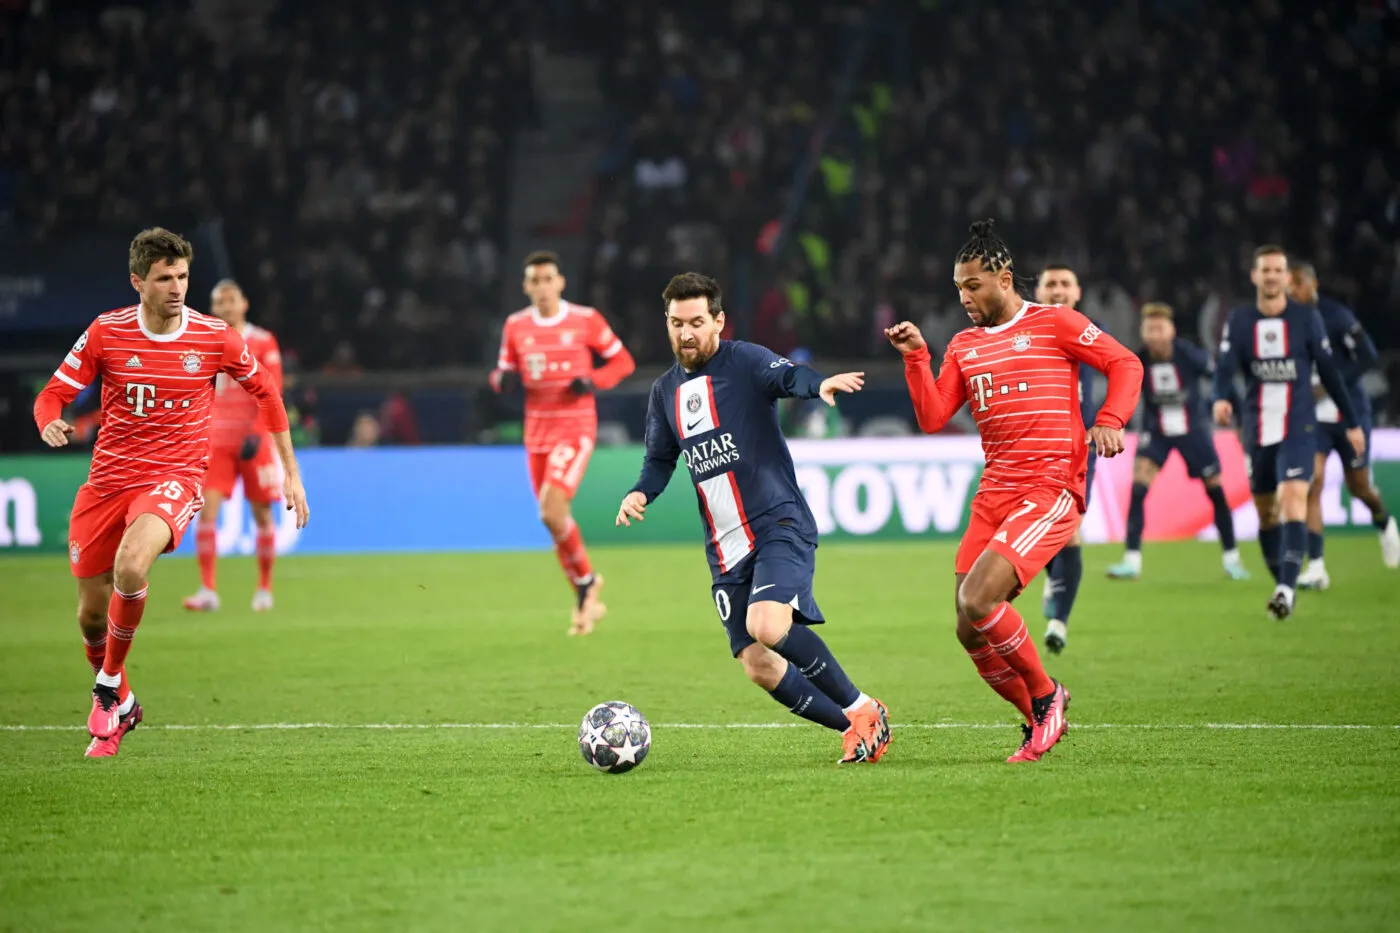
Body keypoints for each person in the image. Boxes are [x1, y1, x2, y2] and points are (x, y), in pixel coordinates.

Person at [32, 228, 310, 758]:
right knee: (90, 615)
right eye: (164, 278)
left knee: (131, 567)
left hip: (176, 475)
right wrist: (49, 420)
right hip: (108, 481)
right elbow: (55, 392)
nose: (177, 287)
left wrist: (290, 472)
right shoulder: (107, 332)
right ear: (138, 281)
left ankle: (107, 688)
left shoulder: (214, 336)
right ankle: (125, 699)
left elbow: (268, 394)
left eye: (183, 276)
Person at [886, 220, 1142, 763]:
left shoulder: (1055, 323)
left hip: (1050, 487)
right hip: (995, 492)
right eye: (958, 287)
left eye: (973, 285)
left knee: (980, 598)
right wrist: (915, 357)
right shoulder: (963, 345)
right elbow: (933, 417)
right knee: (967, 627)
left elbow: (1126, 362)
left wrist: (1112, 417)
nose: (964, 297)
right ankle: (1035, 716)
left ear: (1004, 278)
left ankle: (1047, 699)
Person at [615, 272, 890, 764]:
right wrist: (640, 493)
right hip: (724, 547)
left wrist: (816, 384)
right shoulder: (664, 392)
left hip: (777, 524)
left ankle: (863, 707)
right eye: (677, 323)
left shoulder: (744, 361)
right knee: (759, 665)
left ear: (718, 321)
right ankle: (856, 726)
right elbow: (660, 459)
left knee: (766, 624)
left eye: (697, 322)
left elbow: (788, 376)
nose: (686, 333)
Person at [1211, 246, 1363, 620]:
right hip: (1258, 427)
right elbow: (1225, 367)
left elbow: (1329, 371)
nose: (1272, 277)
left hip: (1299, 425)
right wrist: (1220, 398)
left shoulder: (1307, 319)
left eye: (1278, 271)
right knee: (1266, 514)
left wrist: (1353, 420)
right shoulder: (1241, 320)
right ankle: (1284, 581)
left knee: (1294, 495)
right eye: (1266, 271)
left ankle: (1286, 588)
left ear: (1286, 278)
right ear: (1255, 276)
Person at [491, 251, 635, 635]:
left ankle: (587, 584)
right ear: (526, 287)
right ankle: (586, 596)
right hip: (536, 431)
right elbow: (502, 369)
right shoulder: (516, 326)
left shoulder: (585, 320)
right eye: (534, 281)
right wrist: (501, 381)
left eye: (547, 279)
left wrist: (593, 382)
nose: (541, 287)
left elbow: (623, 362)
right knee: (554, 521)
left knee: (551, 511)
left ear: (560, 282)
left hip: (574, 427)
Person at [1105, 303, 1249, 582]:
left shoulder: (1189, 355)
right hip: (1156, 432)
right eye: (1150, 329)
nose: (1155, 334)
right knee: (1138, 489)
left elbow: (1220, 379)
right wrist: (1115, 423)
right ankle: (1131, 560)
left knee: (1216, 491)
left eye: (1160, 328)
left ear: (1171, 330)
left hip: (1192, 431)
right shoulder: (1138, 360)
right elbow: (1120, 393)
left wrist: (1239, 417)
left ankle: (1232, 558)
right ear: (1143, 332)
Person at [1286, 264, 1399, 588]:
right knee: (1313, 482)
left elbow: (1369, 355)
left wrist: (1333, 383)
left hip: (1350, 415)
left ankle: (1384, 521)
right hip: (1315, 418)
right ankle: (1317, 567)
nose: (1294, 290)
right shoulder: (1290, 323)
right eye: (1291, 285)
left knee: (1359, 487)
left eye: (1299, 284)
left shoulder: (1336, 315)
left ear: (1313, 283)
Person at [184, 280, 285, 613]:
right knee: (207, 514)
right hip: (216, 442)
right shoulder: (204, 341)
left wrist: (258, 432)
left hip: (253, 442)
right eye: (219, 302)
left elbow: (273, 389)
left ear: (244, 304)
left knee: (262, 517)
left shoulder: (263, 341)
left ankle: (264, 588)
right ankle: (208, 590)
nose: (226, 306)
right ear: (213, 308)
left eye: (231, 300)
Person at [1033, 264, 1096, 655]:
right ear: (1037, 292)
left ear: (1078, 292)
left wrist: (1111, 420)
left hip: (1078, 446)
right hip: (1032, 447)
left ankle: (1059, 621)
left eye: (1064, 284)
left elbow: (1124, 369)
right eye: (1050, 284)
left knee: (1069, 530)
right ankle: (1053, 583)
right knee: (1045, 531)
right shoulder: (1022, 332)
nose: (1057, 289)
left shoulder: (1091, 332)